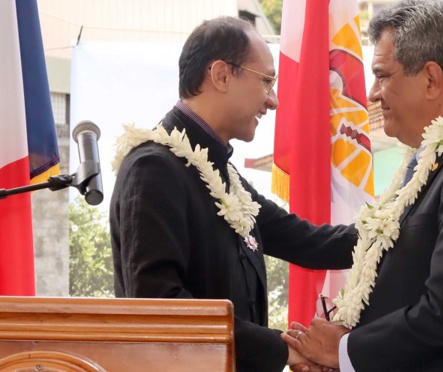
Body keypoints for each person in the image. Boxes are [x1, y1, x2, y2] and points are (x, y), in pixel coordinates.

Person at [282, 0, 443, 371]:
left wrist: (344, 350)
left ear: (432, 79)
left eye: (383, 75)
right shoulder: (437, 156)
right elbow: (371, 251)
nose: (373, 93)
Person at [109, 17, 357, 372]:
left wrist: (400, 226)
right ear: (222, 75)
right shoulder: (154, 168)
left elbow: (308, 241)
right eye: (267, 81)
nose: (273, 101)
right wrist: (286, 348)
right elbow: (161, 304)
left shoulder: (222, 172)